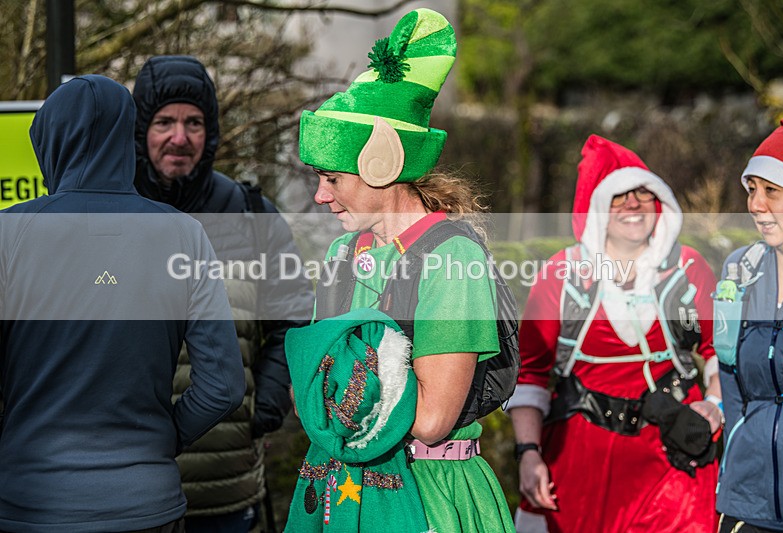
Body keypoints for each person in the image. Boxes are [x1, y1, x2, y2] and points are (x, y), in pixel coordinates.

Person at [284, 8, 515, 532]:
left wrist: (343, 396)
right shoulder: (341, 257)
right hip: (341, 489)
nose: (320, 195)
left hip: (426, 494)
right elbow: (307, 398)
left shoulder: (452, 259)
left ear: (382, 164)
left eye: (331, 178)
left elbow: (432, 421)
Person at [0, 75, 245, 532]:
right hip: (148, 500)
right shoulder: (183, 234)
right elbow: (224, 387)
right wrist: (160, 439)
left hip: (31, 502)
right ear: (126, 140)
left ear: (48, 141)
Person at [132, 55, 314, 532]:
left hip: (228, 484)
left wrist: (264, 406)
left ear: (210, 132)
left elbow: (295, 317)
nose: (180, 137)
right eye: (164, 121)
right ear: (139, 130)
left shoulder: (251, 214)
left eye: (194, 122)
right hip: (132, 485)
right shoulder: (112, 216)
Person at [507, 134, 722, 533]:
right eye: (619, 197)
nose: (634, 205)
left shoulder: (687, 267)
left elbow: (718, 352)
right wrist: (528, 453)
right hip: (582, 458)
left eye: (643, 193)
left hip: (674, 454)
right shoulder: (562, 274)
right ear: (596, 209)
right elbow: (530, 374)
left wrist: (715, 405)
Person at [715, 116, 783, 532]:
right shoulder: (739, 271)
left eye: (772, 191)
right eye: (751, 190)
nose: (755, 204)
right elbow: (729, 378)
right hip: (748, 501)